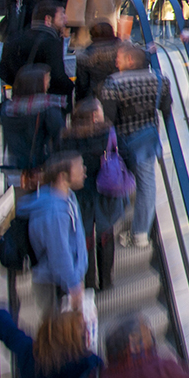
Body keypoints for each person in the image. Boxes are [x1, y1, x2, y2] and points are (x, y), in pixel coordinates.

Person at [101, 43, 171, 250]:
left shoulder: (113, 83)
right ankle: (140, 233)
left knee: (117, 178)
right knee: (147, 184)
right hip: (147, 142)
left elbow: (108, 120)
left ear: (130, 60)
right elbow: (166, 109)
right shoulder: (160, 80)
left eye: (119, 58)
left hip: (121, 143)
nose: (116, 62)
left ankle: (113, 222)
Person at [59, 100, 121, 292]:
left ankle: (89, 283)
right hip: (104, 191)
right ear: (94, 116)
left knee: (83, 237)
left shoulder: (66, 139)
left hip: (79, 193)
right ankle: (106, 281)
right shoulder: (107, 133)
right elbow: (125, 155)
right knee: (105, 233)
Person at [22, 154, 89, 311]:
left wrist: (78, 274)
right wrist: (73, 284)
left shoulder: (69, 197)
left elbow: (76, 240)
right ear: (62, 176)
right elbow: (59, 252)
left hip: (69, 278)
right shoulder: (54, 212)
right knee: (58, 332)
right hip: (55, 284)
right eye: (79, 167)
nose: (84, 171)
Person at [0, 0, 74, 97]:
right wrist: (70, 87)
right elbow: (57, 77)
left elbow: (2, 71)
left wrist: (22, 85)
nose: (66, 20)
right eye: (62, 15)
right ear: (48, 19)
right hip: (46, 101)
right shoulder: (51, 43)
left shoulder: (16, 39)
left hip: (20, 100)